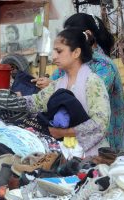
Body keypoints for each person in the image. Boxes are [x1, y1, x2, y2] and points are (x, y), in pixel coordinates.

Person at [32, 13, 124, 152]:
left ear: (85, 35)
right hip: (72, 143)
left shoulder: (104, 66)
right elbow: (53, 90)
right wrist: (48, 86)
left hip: (103, 140)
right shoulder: (65, 65)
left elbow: (86, 100)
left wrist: (55, 90)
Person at [24, 28, 110, 157]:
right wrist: (13, 100)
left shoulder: (93, 82)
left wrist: (63, 133)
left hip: (92, 156)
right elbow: (36, 102)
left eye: (59, 51)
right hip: (66, 154)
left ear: (76, 52)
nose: (53, 57)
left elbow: (100, 124)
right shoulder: (57, 84)